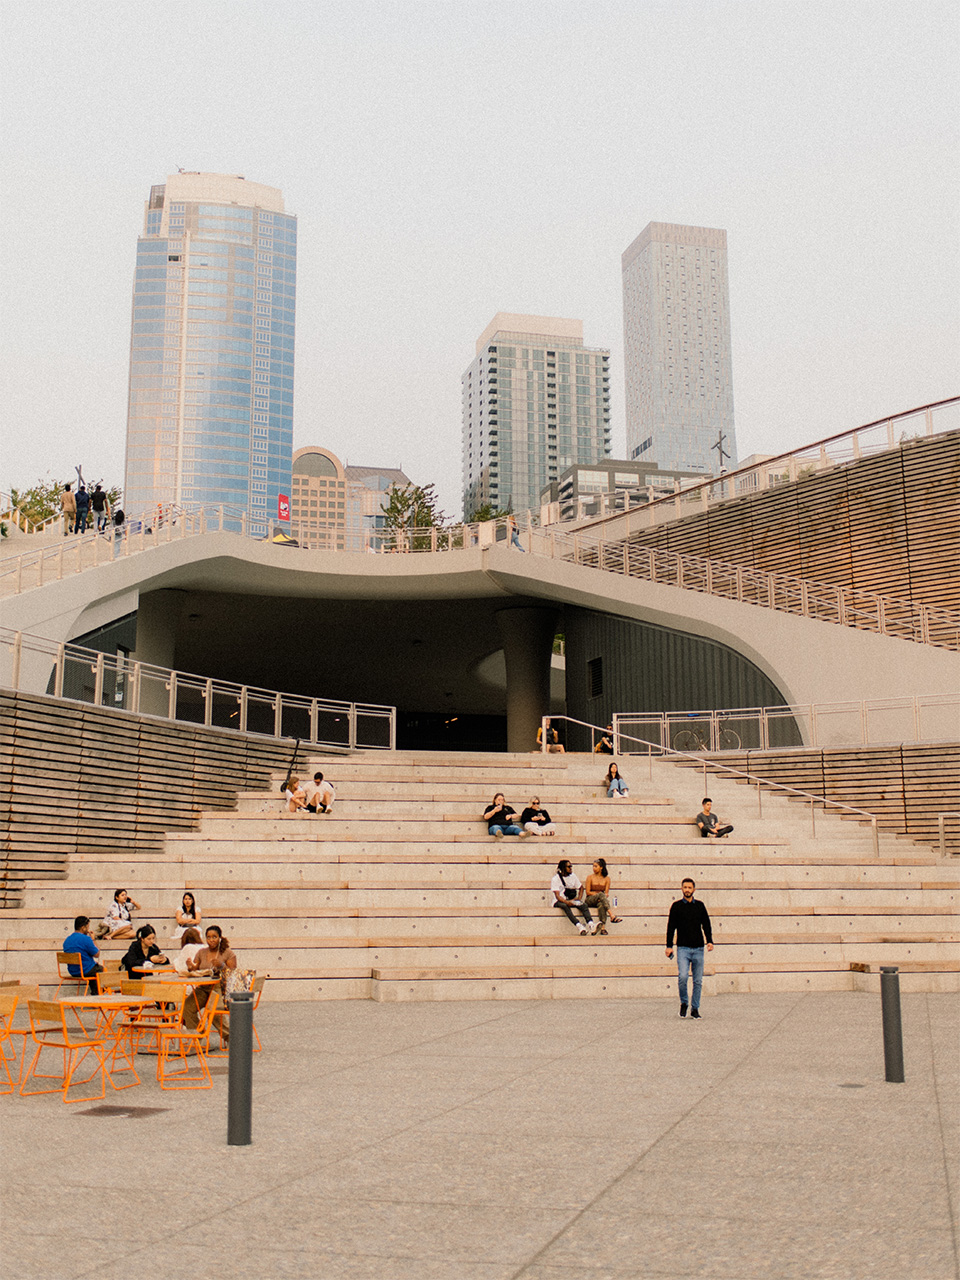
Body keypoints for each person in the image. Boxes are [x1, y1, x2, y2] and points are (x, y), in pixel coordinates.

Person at [665, 878, 714, 1018]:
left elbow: (706, 924)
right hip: (683, 948)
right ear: (682, 889)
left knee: (697, 981)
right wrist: (669, 946)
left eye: (689, 887)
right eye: (685, 887)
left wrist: (709, 941)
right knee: (683, 976)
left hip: (698, 948)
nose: (687, 890)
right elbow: (671, 927)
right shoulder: (676, 906)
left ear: (694, 890)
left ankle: (695, 1008)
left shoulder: (700, 906)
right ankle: (684, 1002)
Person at [184, 926, 237, 1034]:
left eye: (214, 937)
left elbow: (233, 973)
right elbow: (196, 968)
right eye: (208, 937)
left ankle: (231, 1037)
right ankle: (199, 1036)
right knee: (187, 1007)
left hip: (220, 988)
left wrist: (222, 966)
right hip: (203, 987)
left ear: (220, 938)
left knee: (213, 1011)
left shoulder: (227, 953)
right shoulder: (201, 952)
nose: (211, 940)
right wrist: (190, 967)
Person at [551, 860, 596, 935]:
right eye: (569, 867)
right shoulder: (555, 879)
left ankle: (591, 924)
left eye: (571, 866)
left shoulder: (573, 876)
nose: (571, 868)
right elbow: (557, 896)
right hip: (559, 901)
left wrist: (579, 898)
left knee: (583, 905)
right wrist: (567, 902)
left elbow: (581, 888)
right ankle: (579, 926)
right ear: (563, 868)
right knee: (565, 906)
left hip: (570, 899)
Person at [63, 915, 103, 994]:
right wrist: (93, 939)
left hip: (73, 971)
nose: (88, 930)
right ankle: (98, 994)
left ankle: (95, 993)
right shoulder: (86, 939)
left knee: (94, 969)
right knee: (101, 970)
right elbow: (97, 954)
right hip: (85, 970)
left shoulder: (67, 940)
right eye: (87, 927)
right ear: (83, 928)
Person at [582, 858, 623, 934]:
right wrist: (598, 895)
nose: (594, 868)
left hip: (600, 900)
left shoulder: (607, 879)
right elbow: (588, 892)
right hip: (590, 899)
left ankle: (602, 928)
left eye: (596, 866)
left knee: (602, 904)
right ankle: (611, 915)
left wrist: (601, 897)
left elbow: (606, 893)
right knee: (601, 894)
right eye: (593, 866)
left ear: (601, 867)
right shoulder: (590, 877)